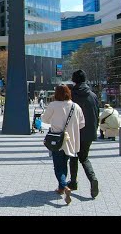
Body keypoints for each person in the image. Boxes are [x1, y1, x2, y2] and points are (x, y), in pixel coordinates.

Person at [42, 84, 85, 205]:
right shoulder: (76, 106)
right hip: (70, 141)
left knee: (57, 166)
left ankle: (64, 187)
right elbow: (82, 124)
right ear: (68, 93)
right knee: (64, 164)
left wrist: (55, 121)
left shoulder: (53, 105)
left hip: (57, 140)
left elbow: (44, 120)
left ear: (56, 93)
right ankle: (61, 187)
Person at [68, 69, 100, 199]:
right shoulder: (93, 95)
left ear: (74, 80)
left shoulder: (71, 95)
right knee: (84, 158)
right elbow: (97, 114)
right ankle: (92, 179)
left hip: (75, 132)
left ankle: (74, 182)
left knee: (73, 156)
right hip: (89, 132)